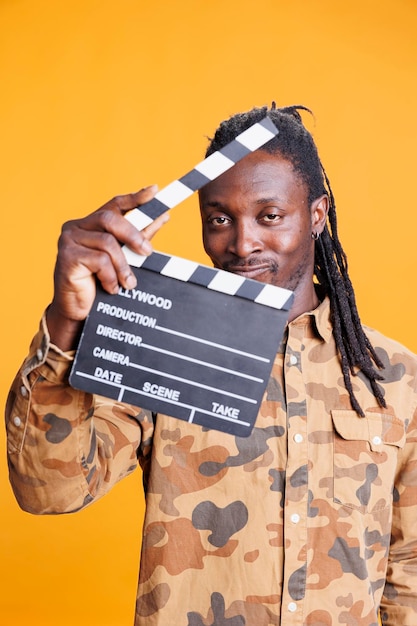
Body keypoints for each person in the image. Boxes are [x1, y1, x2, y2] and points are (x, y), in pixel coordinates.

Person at [5, 104, 417, 626]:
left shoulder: (395, 376)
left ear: (316, 214)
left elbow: (409, 568)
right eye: (220, 219)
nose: (243, 244)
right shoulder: (163, 348)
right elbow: (48, 490)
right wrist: (66, 320)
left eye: (270, 216)